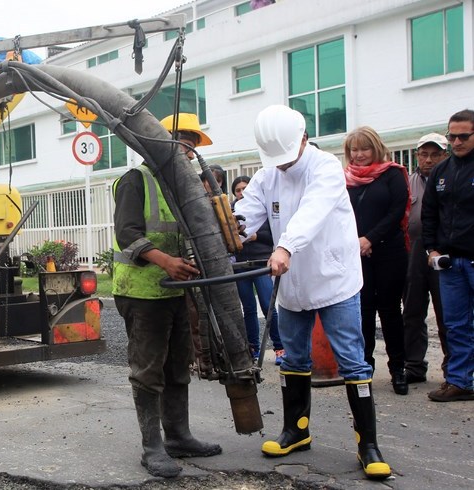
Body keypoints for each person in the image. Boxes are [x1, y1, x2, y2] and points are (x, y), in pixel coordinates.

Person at [235, 105, 392, 479]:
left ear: (303, 139)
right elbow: (246, 215)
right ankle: (296, 431)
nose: (283, 164)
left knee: (352, 360)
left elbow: (312, 212)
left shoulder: (326, 168)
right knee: (293, 359)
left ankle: (368, 445)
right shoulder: (267, 175)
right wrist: (229, 231)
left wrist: (284, 246)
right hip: (291, 282)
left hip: (333, 279)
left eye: (287, 156)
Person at [112, 112, 222, 478]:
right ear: (162, 144)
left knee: (177, 366)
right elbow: (127, 234)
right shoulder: (136, 180)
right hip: (142, 292)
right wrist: (166, 262)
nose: (190, 154)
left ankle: (178, 436)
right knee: (148, 370)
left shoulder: (180, 188)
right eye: (185, 146)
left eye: (192, 148)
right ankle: (152, 447)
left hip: (176, 291)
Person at [343, 127, 411, 395]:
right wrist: (357, 242)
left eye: (365, 149)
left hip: (388, 250)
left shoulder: (392, 174)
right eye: (354, 150)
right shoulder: (345, 178)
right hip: (357, 252)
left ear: (376, 148)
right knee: (363, 311)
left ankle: (398, 368)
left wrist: (370, 239)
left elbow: (396, 212)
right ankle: (364, 367)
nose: (359, 155)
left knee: (390, 310)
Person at [421, 109, 474, 402]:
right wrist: (432, 248)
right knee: (455, 324)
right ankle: (460, 381)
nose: (456, 142)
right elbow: (429, 213)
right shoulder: (442, 171)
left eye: (463, 136)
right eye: (452, 137)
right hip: (450, 262)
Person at [403, 133, 449, 384]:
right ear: (417, 155)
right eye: (424, 154)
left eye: (435, 154)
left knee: (447, 313)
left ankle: (453, 368)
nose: (429, 160)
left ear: (444, 155)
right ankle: (414, 366)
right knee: (412, 310)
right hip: (413, 251)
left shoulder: (451, 179)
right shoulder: (407, 182)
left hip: (444, 252)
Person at [230, 175, 284, 365]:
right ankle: (253, 348)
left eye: (245, 188)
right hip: (241, 265)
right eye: (238, 190)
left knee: (268, 305)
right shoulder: (232, 213)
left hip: (261, 263)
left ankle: (279, 347)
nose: (241, 192)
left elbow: (273, 235)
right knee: (248, 308)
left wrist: (255, 237)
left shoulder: (264, 207)